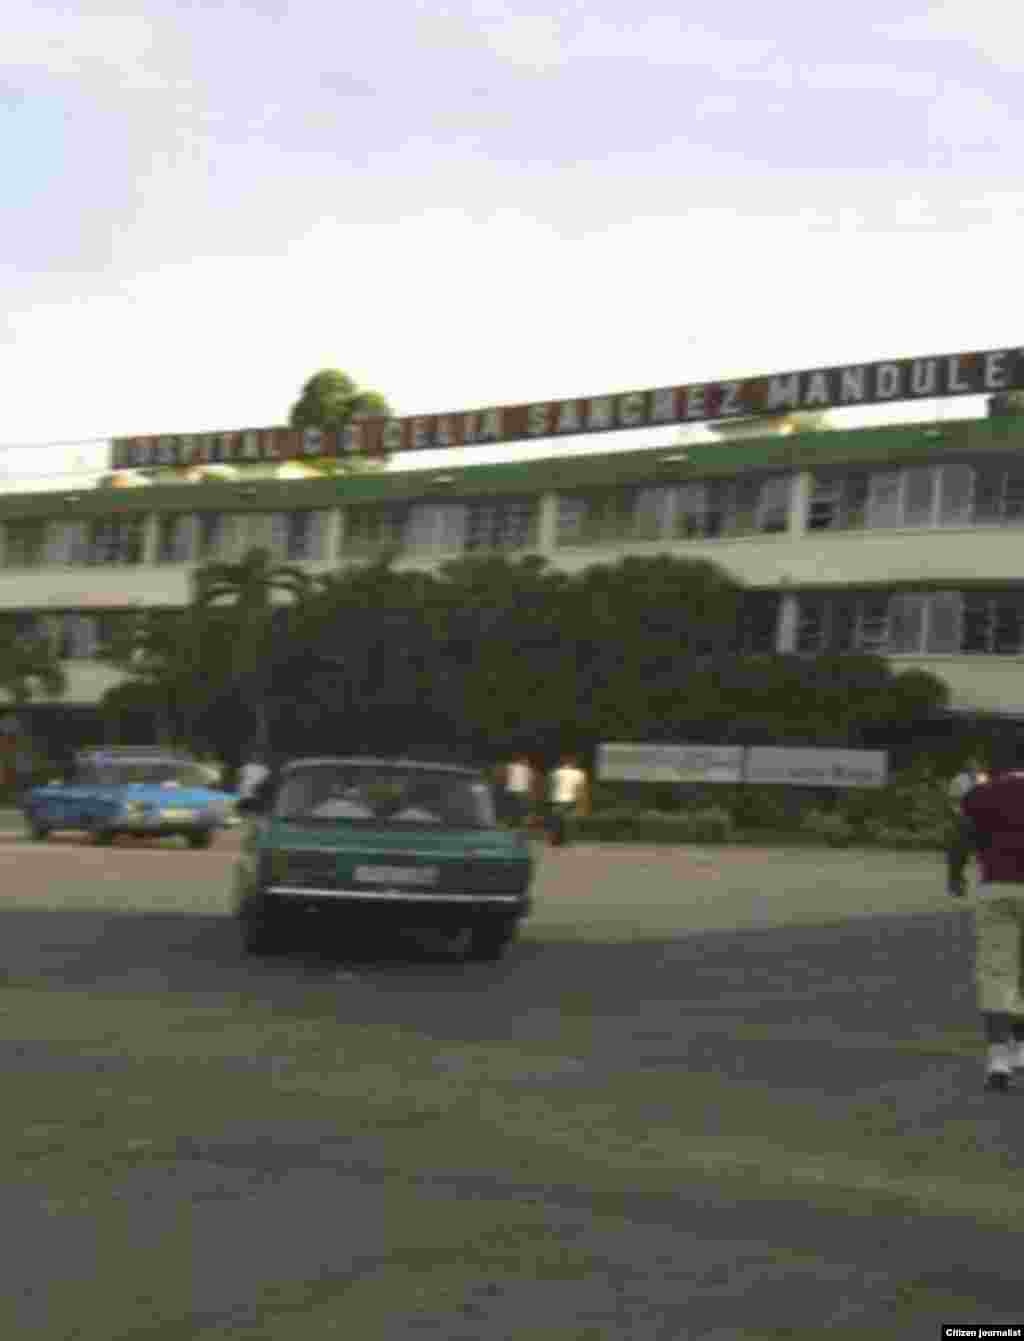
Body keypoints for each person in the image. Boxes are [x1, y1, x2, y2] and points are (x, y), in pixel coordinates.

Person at [960, 756, 1024, 1092]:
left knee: (998, 974)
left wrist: (954, 873)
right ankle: (1022, 1053)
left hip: (997, 886)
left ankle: (998, 1061)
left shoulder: (984, 793)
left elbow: (964, 834)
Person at [946, 755, 988, 897]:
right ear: (967, 768)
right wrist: (960, 816)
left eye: (976, 766)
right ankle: (956, 883)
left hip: (980, 819)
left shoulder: (982, 779)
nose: (975, 769)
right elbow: (953, 801)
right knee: (959, 854)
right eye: (972, 766)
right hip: (963, 819)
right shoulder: (958, 781)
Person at [546, 754, 588, 847]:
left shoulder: (556, 772)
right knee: (568, 820)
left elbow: (551, 785)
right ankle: (565, 840)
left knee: (557, 819)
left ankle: (556, 839)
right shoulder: (579, 774)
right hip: (572, 799)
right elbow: (581, 789)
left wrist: (549, 797)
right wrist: (583, 803)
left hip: (557, 799)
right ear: (575, 763)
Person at [503, 755, 535, 828]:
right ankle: (522, 824)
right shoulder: (527, 769)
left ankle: (511, 823)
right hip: (522, 791)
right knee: (523, 809)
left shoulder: (510, 766)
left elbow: (506, 776)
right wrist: (530, 791)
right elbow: (530, 780)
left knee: (512, 808)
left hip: (511, 790)